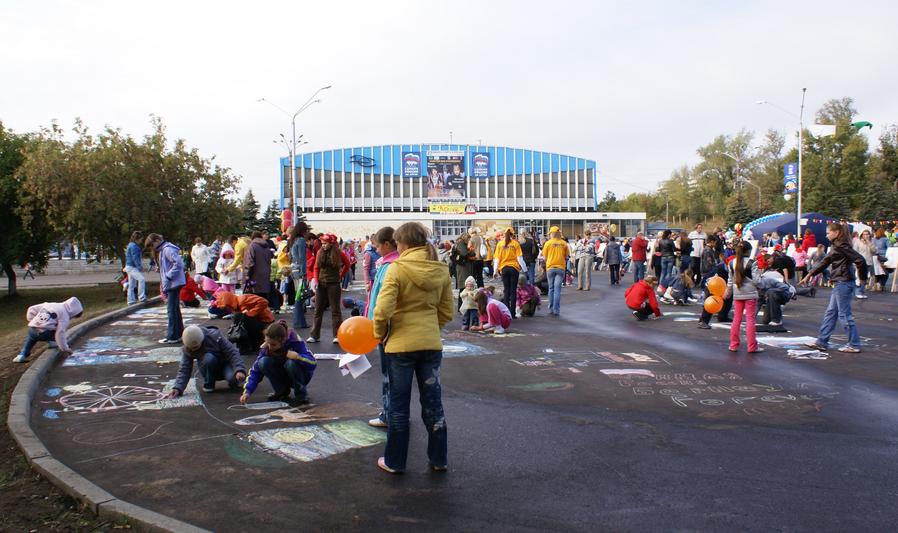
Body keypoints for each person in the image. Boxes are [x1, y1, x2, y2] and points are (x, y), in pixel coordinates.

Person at [372, 222, 453, 474]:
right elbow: (447, 311)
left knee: (398, 407)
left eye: (397, 242)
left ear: (403, 243)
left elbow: (382, 310)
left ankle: (395, 461)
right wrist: (431, 327)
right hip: (430, 344)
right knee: (433, 404)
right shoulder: (440, 269)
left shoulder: (397, 268)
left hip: (400, 346)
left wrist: (380, 334)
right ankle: (439, 459)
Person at [801, 223, 868, 353]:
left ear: (836, 233)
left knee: (844, 314)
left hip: (843, 282)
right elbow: (825, 261)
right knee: (831, 313)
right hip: (841, 282)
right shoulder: (838, 246)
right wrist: (809, 275)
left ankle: (854, 344)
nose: (826, 235)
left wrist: (862, 277)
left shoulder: (842, 246)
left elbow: (860, 260)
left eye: (828, 233)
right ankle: (822, 341)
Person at [365, 226, 400, 428]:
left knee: (389, 375)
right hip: (391, 327)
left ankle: (390, 414)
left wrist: (376, 327)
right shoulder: (390, 264)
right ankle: (394, 413)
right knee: (393, 376)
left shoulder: (389, 267)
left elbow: (382, 301)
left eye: (377, 246)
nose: (376, 250)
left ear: (387, 244)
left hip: (386, 329)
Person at [241, 321, 316, 406]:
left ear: (283, 341)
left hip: (301, 375)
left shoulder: (295, 341)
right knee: (263, 362)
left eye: (273, 344)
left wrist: (299, 357)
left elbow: (313, 362)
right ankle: (281, 391)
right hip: (283, 374)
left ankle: (301, 395)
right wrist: (247, 391)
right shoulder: (266, 348)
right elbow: (255, 371)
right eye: (267, 343)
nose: (270, 347)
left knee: (290, 363)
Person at [167, 325, 246, 395]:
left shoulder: (215, 336)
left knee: (233, 379)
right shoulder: (187, 348)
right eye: (192, 348)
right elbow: (185, 368)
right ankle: (209, 383)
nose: (194, 350)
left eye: (196, 347)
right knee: (209, 358)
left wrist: (239, 370)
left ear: (202, 340)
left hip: (225, 364)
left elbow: (232, 352)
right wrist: (178, 388)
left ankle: (233, 380)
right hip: (208, 366)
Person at [308, 234, 350, 344]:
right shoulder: (319, 252)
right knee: (318, 310)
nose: (323, 245)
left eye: (325, 243)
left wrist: (340, 276)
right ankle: (314, 335)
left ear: (331, 243)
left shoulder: (338, 253)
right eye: (322, 243)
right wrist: (316, 280)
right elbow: (316, 267)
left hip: (334, 284)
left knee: (335, 310)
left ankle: (337, 335)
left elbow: (347, 264)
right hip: (321, 283)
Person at [14, 297, 83, 363]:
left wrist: (33, 321)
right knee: (56, 331)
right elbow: (60, 333)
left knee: (31, 339)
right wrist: (66, 348)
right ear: (73, 312)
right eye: (73, 316)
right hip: (45, 334)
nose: (71, 318)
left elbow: (31, 309)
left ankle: (22, 355)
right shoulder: (65, 316)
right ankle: (53, 343)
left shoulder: (50, 304)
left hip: (32, 329)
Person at [145, 233, 186, 344]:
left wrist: (168, 276)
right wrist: (162, 269)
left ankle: (172, 336)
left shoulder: (167, 249)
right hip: (173, 282)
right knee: (175, 309)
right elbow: (171, 265)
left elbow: (179, 264)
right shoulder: (164, 250)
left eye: (152, 245)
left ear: (157, 240)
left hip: (173, 283)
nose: (152, 248)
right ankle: (179, 334)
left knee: (171, 310)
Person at [726, 241, 762, 353]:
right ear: (749, 251)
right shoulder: (752, 263)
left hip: (738, 293)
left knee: (736, 319)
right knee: (750, 320)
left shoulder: (731, 263)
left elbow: (730, 280)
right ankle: (752, 346)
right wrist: (762, 284)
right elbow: (756, 281)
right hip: (750, 293)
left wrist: (728, 291)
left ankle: (733, 345)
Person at [211, 291, 275, 351]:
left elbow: (264, 301)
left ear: (229, 303)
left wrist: (251, 313)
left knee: (238, 317)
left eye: (226, 307)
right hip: (259, 321)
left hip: (265, 322)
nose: (227, 309)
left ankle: (245, 347)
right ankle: (247, 346)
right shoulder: (237, 305)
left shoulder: (242, 299)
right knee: (239, 320)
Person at [493, 227, 526, 316]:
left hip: (504, 269)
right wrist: (525, 269)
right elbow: (519, 258)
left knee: (506, 290)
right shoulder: (515, 244)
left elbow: (497, 259)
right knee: (513, 291)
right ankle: (513, 312)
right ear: (513, 234)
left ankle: (506, 312)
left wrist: (495, 271)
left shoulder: (500, 244)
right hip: (514, 269)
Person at [540, 227, 570, 317]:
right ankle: (556, 310)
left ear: (551, 234)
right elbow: (567, 256)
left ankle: (550, 308)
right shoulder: (564, 243)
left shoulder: (548, 243)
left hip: (550, 267)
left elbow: (544, 256)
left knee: (551, 288)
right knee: (557, 290)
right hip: (560, 268)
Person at [288, 223, 310, 329]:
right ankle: (299, 322)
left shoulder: (292, 240)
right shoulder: (301, 240)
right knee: (300, 297)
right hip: (300, 270)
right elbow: (302, 258)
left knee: (298, 296)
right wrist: (304, 273)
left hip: (294, 269)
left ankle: (299, 321)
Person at [244, 231, 272, 298]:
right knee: (264, 298)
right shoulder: (266, 247)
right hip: (265, 275)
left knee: (255, 298)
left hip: (255, 276)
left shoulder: (252, 246)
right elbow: (269, 261)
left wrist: (247, 274)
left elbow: (250, 262)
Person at [452, 233, 474, 308]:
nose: (469, 240)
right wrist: (469, 249)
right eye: (468, 238)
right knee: (463, 287)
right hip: (463, 268)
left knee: (465, 286)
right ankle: (462, 306)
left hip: (463, 267)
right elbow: (464, 254)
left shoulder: (460, 243)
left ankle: (463, 306)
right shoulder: (460, 244)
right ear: (465, 238)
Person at [124, 231, 146, 305]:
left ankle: (130, 301)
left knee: (131, 284)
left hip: (129, 266)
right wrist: (139, 267)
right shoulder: (134, 246)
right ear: (137, 239)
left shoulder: (130, 244)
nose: (141, 241)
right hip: (132, 267)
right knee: (141, 279)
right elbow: (135, 258)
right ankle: (142, 297)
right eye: (141, 239)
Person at [853, 229, 876, 298]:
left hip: (869, 262)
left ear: (869, 235)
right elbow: (854, 252)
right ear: (862, 235)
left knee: (865, 278)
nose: (866, 235)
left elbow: (874, 251)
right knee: (859, 278)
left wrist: (869, 243)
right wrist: (855, 261)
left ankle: (862, 292)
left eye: (867, 234)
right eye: (864, 234)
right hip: (860, 262)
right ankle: (858, 292)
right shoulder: (858, 242)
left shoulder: (871, 242)